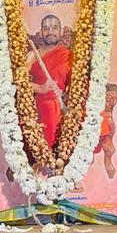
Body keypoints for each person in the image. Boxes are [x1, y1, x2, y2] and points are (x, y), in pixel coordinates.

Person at [27, 14, 73, 148]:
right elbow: (18, 82)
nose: (50, 32)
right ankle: (45, 156)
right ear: (41, 32)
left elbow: (76, 85)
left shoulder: (70, 56)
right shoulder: (33, 55)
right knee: (49, 106)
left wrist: (65, 96)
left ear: (61, 31)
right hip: (41, 104)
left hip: (64, 104)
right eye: (46, 28)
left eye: (54, 28)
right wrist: (41, 88)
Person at [95, 83, 117, 178]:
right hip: (100, 125)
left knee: (110, 149)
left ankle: (108, 165)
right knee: (109, 148)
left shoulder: (110, 105)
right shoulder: (99, 102)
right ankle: (108, 165)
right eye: (109, 95)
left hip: (107, 125)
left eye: (115, 98)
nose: (111, 99)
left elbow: (111, 126)